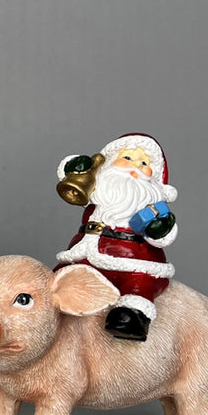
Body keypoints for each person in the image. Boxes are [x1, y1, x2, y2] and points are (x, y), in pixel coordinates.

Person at [56, 133, 178, 341]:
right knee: (59, 277)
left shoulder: (152, 205)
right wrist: (77, 166)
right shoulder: (98, 189)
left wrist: (160, 228)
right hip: (85, 255)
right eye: (127, 158)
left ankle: (132, 316)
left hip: (134, 263)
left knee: (140, 285)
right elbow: (71, 183)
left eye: (144, 163)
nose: (135, 166)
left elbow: (164, 237)